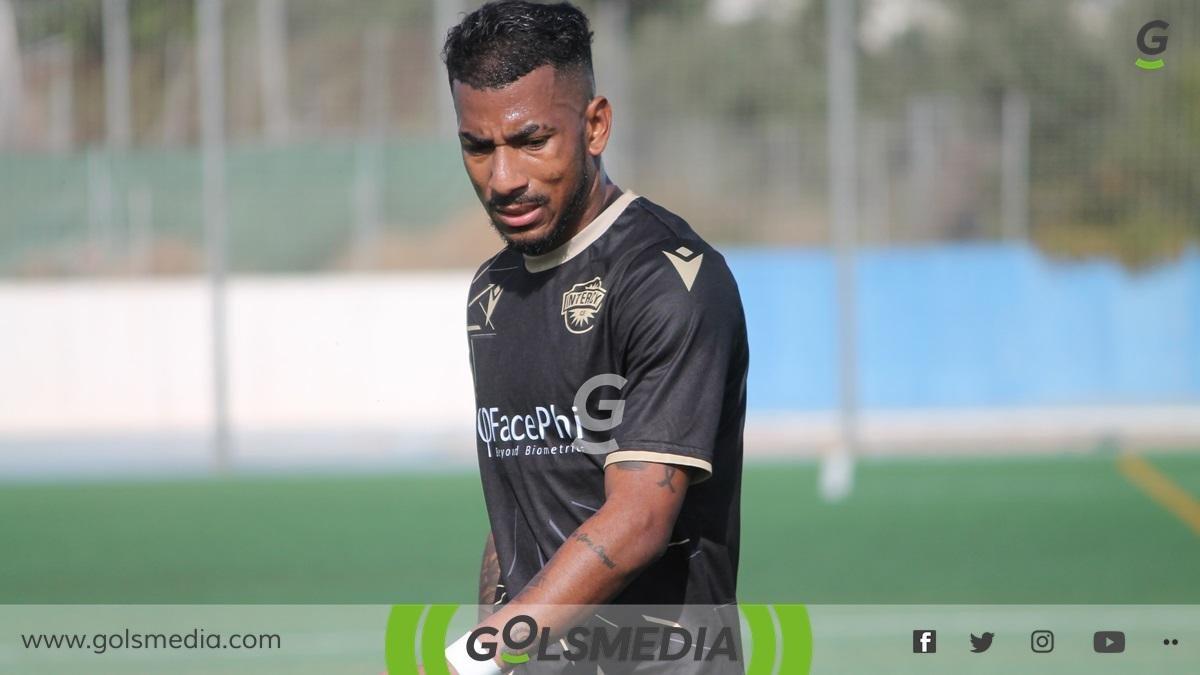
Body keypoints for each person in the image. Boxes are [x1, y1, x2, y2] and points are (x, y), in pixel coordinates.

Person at [442, 2, 749, 672]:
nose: (503, 178)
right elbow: (516, 513)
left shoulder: (670, 279)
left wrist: (474, 657)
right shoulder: (492, 293)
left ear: (595, 125)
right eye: (478, 147)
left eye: (531, 141)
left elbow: (637, 522)